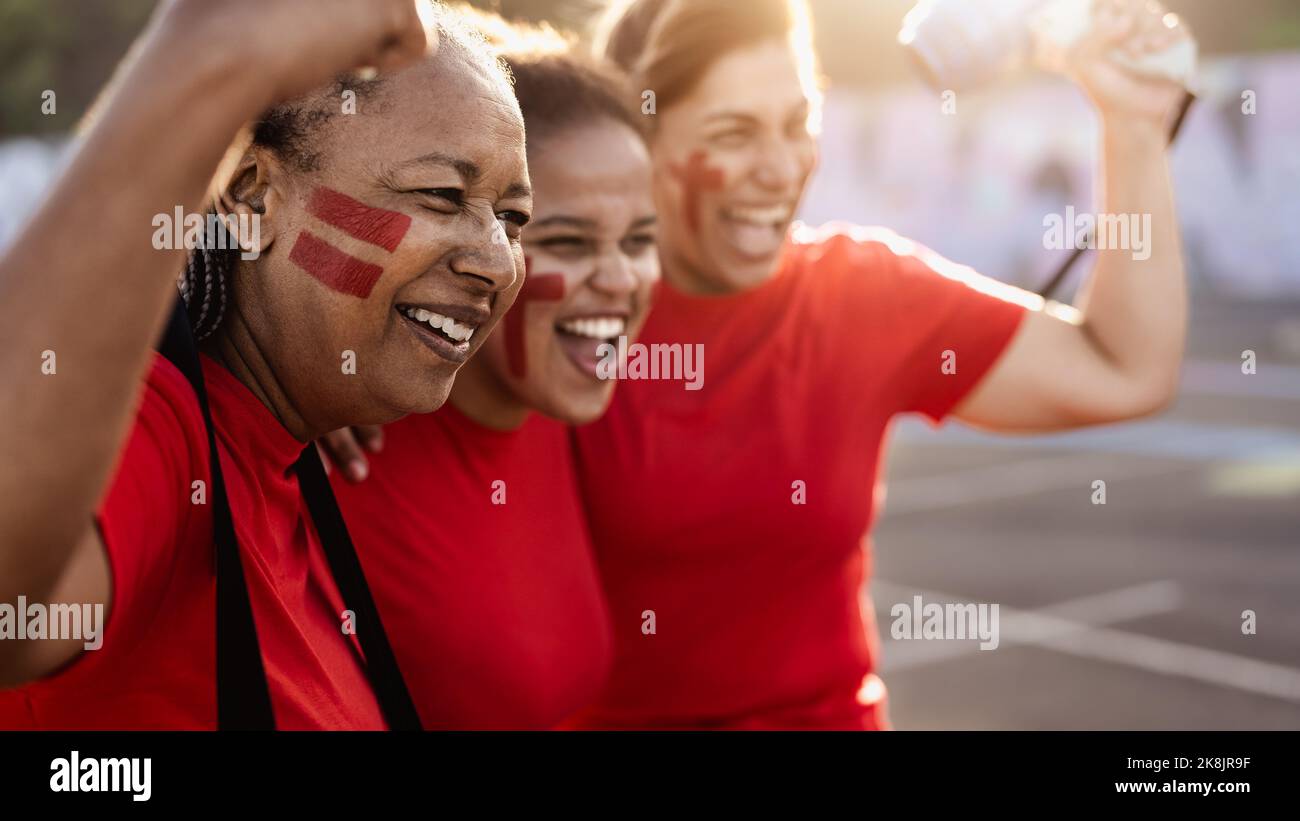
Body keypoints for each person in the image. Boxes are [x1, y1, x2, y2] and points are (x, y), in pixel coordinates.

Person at [566, 0, 1192, 729]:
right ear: (639, 143)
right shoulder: (557, 314)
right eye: (733, 133)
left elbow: (1126, 367)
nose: (778, 168)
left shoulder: (858, 295)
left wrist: (1136, 127)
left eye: (797, 124)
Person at [0, 0, 532, 729]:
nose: (497, 261)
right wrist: (205, 54)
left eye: (513, 217)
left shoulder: (301, 442)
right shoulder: (159, 434)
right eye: (442, 194)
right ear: (251, 195)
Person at [324, 37, 659, 729]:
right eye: (565, 241)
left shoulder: (565, 393)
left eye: (639, 240)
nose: (622, 281)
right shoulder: (335, 436)